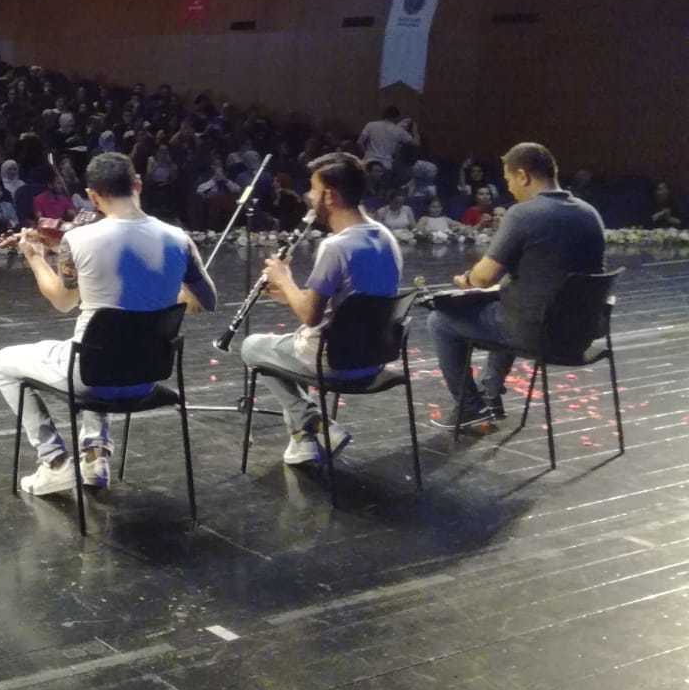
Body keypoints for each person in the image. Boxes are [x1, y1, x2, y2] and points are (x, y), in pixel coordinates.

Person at [0, 152, 216, 496]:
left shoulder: (78, 240)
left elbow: (63, 301)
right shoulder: (179, 239)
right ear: (137, 184)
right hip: (146, 377)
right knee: (111, 344)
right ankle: (95, 457)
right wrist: (166, 291)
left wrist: (35, 257)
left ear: (93, 196)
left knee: (4, 362)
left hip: (91, 376)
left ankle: (55, 461)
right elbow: (207, 299)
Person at [239, 152, 402, 466]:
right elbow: (352, 303)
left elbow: (310, 316)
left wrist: (284, 279)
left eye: (313, 190)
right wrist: (290, 295)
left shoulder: (336, 247)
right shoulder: (386, 238)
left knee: (252, 347)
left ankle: (314, 423)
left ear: (330, 195)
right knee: (286, 349)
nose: (309, 197)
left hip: (334, 360)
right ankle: (303, 442)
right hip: (373, 357)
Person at [429, 142, 605, 429]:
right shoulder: (590, 213)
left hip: (539, 334)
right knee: (509, 305)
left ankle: (470, 408)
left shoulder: (523, 214)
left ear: (523, 176)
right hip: (581, 334)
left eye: (509, 179)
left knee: (440, 321)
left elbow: (484, 277)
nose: (509, 188)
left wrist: (467, 280)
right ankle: (490, 393)